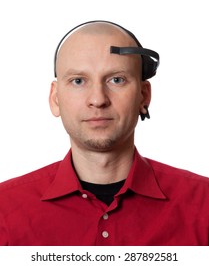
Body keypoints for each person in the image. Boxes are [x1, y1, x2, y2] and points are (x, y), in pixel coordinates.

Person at [0, 20, 209, 246]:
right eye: (78, 81)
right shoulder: (5, 208)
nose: (98, 99)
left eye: (116, 80)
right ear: (55, 98)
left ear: (144, 96)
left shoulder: (204, 204)